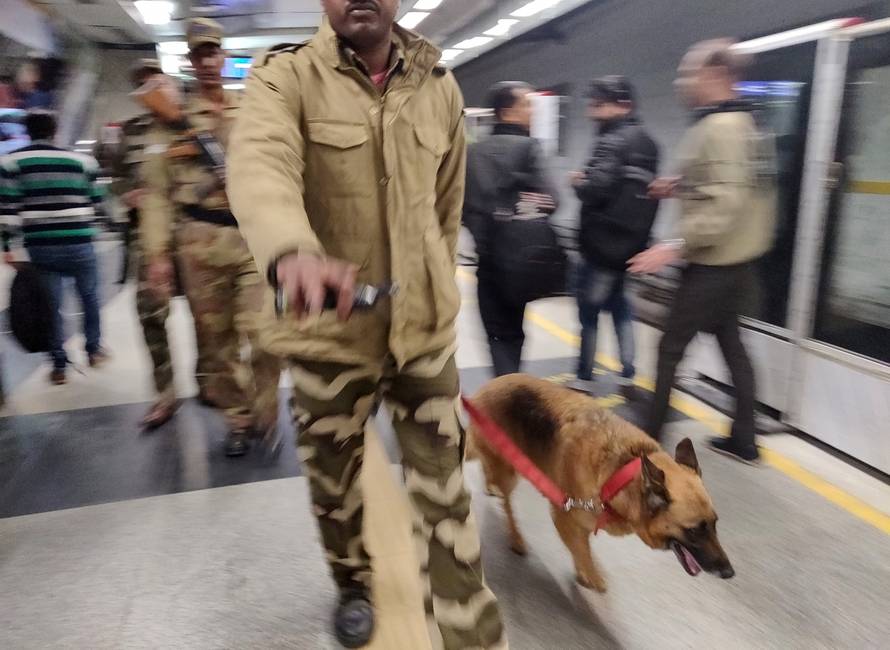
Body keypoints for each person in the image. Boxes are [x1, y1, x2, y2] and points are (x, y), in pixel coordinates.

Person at [227, 3, 506, 648]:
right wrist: (290, 248)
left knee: (445, 490)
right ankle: (352, 579)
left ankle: (470, 627)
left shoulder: (439, 86)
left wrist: (433, 281)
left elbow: (446, 205)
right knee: (335, 483)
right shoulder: (284, 78)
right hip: (329, 337)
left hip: (423, 336)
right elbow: (260, 165)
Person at [629, 39, 776, 464]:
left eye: (689, 72)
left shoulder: (720, 129)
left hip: (712, 264)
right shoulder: (749, 124)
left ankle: (649, 441)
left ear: (716, 75)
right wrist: (680, 186)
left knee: (669, 348)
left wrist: (676, 245)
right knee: (733, 347)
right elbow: (736, 189)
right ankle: (745, 440)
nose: (682, 81)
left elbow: (727, 203)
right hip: (739, 261)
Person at [141, 19, 281, 456]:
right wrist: (157, 253)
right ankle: (238, 419)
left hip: (253, 240)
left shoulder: (253, 110)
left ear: (224, 57)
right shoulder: (170, 122)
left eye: (212, 53)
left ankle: (266, 411)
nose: (205, 62)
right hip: (199, 244)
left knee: (265, 334)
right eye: (197, 55)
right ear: (189, 61)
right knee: (217, 344)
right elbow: (157, 195)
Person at [566, 76, 659, 399]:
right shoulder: (649, 143)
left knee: (589, 314)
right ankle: (629, 373)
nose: (593, 110)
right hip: (632, 245)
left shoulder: (611, 141)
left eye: (600, 103)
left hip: (601, 246)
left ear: (623, 105)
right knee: (621, 309)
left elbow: (596, 189)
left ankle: (584, 377)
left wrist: (579, 181)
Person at [0, 111, 109, 384]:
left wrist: (7, 247)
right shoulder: (84, 161)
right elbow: (98, 200)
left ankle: (59, 366)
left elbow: (8, 211)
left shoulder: (11, 163)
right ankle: (94, 351)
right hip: (80, 242)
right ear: (55, 130)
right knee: (89, 297)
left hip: (41, 246)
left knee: (51, 305)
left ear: (27, 131)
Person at [464, 81, 559, 377]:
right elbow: (553, 200)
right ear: (507, 111)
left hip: (487, 260)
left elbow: (461, 207)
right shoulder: (529, 147)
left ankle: (501, 391)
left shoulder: (473, 152)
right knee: (515, 335)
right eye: (527, 105)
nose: (532, 111)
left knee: (495, 335)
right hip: (519, 262)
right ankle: (510, 396)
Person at [108, 59, 179, 428]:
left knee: (213, 321)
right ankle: (165, 395)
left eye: (153, 78)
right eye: (140, 81)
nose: (147, 85)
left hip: (194, 235)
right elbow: (115, 177)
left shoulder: (188, 122)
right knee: (151, 316)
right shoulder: (130, 131)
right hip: (147, 239)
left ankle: (218, 387)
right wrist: (127, 192)